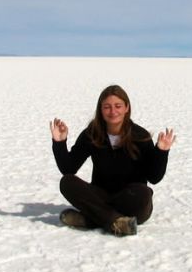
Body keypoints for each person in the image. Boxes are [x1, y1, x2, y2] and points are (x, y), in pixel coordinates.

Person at [50, 84, 176, 237]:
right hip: (101, 195)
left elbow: (154, 178)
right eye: (107, 107)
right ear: (100, 110)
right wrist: (59, 142)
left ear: (126, 108)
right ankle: (117, 222)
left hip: (131, 200)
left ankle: (91, 219)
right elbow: (68, 168)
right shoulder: (92, 134)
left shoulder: (140, 136)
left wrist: (161, 151)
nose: (113, 111)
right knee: (67, 182)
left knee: (143, 193)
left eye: (118, 106)